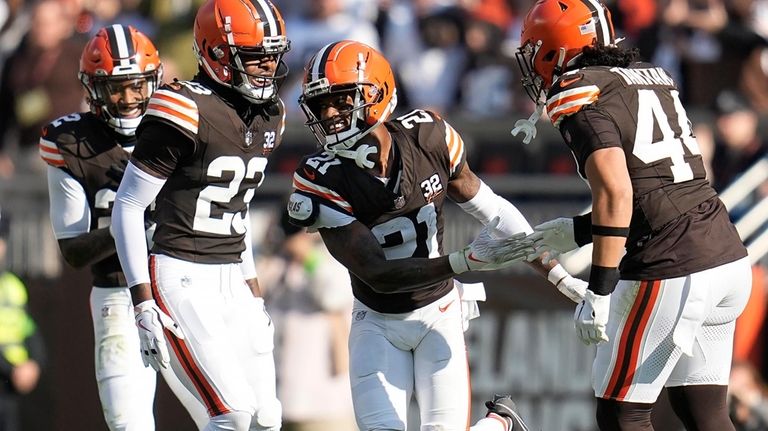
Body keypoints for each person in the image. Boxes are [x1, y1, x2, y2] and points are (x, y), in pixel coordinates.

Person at [286, 39, 587, 431]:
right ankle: (500, 426)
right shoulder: (318, 176)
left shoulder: (428, 137)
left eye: (341, 100)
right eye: (321, 104)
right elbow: (377, 272)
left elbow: (495, 212)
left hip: (438, 314)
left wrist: (563, 281)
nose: (329, 114)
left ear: (376, 94)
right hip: (375, 320)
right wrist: (462, 262)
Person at [515, 0, 752, 429]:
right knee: (704, 411)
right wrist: (580, 230)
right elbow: (659, 187)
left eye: (536, 50)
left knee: (623, 411)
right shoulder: (650, 77)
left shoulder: (580, 91)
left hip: (672, 264)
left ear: (557, 49)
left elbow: (617, 190)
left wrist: (600, 290)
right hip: (725, 254)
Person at [111, 0, 290, 430]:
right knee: (232, 416)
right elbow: (129, 206)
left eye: (272, 56)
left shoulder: (271, 114)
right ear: (217, 54)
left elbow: (237, 210)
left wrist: (254, 291)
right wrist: (142, 301)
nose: (267, 67)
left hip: (232, 273)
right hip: (182, 272)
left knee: (267, 418)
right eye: (254, 57)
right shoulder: (184, 107)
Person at [40, 24, 208, 430]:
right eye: (116, 88)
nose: (129, 99)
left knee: (225, 415)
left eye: (136, 86)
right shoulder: (70, 142)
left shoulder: (180, 124)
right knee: (128, 422)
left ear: (153, 82)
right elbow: (73, 249)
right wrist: (132, 223)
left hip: (186, 286)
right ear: (94, 89)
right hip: (118, 295)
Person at [0, 209, 45, 431]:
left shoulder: (12, 285)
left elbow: (29, 328)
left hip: (9, 388)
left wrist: (35, 363)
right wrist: (11, 369)